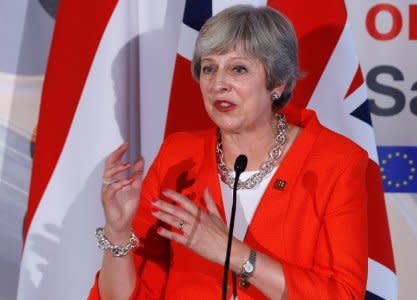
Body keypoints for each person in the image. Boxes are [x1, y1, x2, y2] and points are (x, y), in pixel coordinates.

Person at [89, 5, 368, 300]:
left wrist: (234, 254)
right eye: (209, 68)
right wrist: (117, 232)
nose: (218, 84)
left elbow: (343, 295)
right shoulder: (178, 156)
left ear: (277, 83)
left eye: (238, 69)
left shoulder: (335, 162)